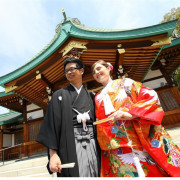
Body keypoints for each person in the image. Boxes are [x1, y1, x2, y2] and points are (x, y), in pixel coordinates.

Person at [91, 60, 180, 177]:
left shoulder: (126, 83)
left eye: (99, 68)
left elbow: (151, 96)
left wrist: (131, 114)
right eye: (93, 72)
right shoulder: (97, 97)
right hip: (115, 145)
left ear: (108, 68)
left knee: (149, 171)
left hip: (137, 137)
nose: (96, 72)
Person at [36, 57, 100, 177]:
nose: (69, 72)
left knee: (95, 172)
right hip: (70, 144)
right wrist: (53, 155)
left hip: (93, 143)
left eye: (72, 69)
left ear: (81, 70)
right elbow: (52, 127)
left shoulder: (92, 96)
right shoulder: (58, 95)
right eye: (66, 71)